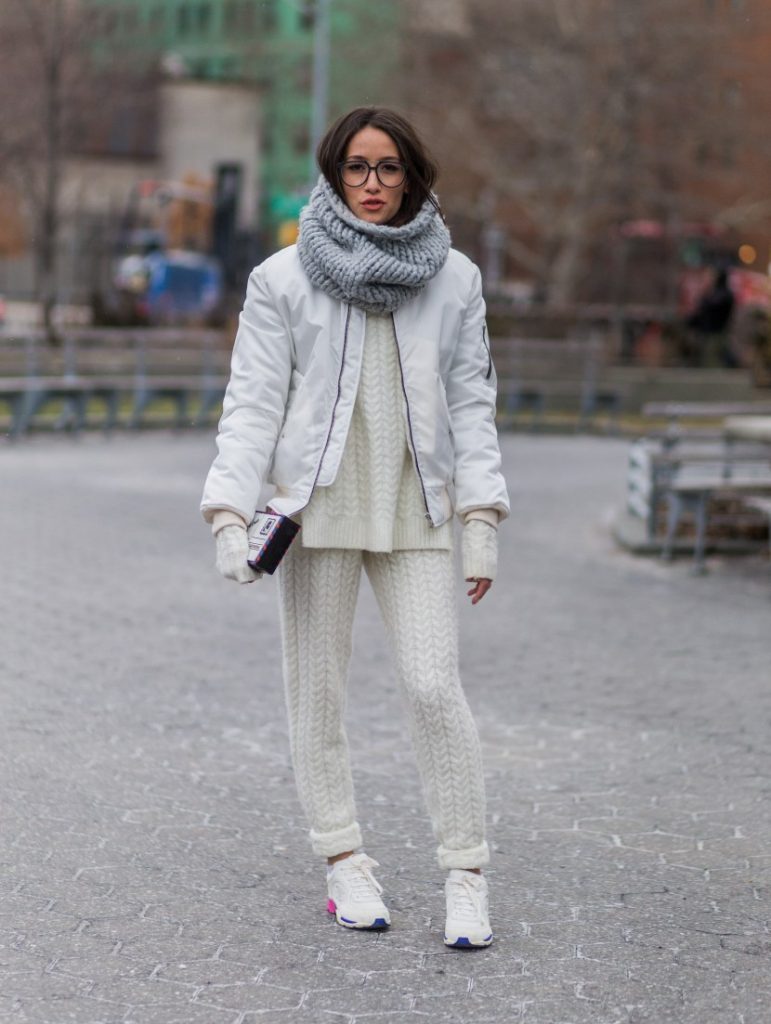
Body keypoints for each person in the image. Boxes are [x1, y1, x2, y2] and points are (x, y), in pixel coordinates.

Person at [201, 107, 510, 948]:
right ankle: (344, 861)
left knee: (432, 687)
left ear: (412, 174)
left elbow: (471, 404)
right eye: (356, 168)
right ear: (333, 174)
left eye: (388, 168)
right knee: (318, 695)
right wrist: (229, 510)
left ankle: (465, 873)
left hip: (415, 514)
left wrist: (481, 518)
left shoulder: (453, 278)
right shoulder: (283, 279)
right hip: (315, 513)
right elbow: (253, 405)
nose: (372, 184)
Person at [684, 266, 736, 367]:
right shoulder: (716, 294)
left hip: (716, 333)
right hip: (709, 332)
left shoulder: (723, 295)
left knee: (711, 361)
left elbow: (712, 306)